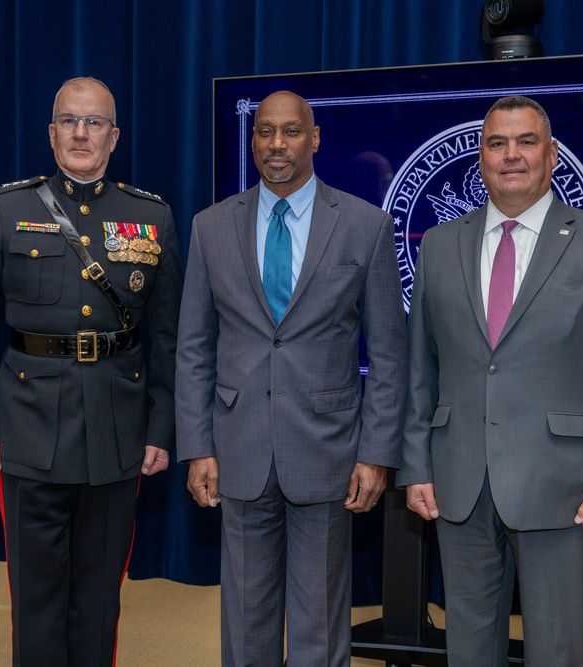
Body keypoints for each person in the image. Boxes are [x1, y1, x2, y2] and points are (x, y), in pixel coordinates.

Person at [398, 95, 583, 666]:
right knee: (468, 648)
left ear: (553, 154)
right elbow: (421, 369)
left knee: (558, 653)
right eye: (497, 143)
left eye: (526, 141)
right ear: (481, 157)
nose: (510, 155)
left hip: (566, 486)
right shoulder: (440, 244)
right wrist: (415, 465)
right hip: (457, 482)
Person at [0, 76, 181, 666]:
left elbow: (173, 339)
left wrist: (161, 429)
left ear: (114, 136)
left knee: (100, 593)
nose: (82, 133)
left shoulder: (150, 216)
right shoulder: (7, 208)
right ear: (51, 134)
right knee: (36, 595)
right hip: (28, 426)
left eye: (95, 122)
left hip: (117, 427)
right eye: (69, 121)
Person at [176, 90, 408, 666]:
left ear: (315, 138)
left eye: (291, 131)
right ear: (252, 140)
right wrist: (197, 446)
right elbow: (194, 347)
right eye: (264, 132)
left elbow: (389, 354)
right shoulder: (211, 228)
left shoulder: (365, 226)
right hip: (238, 449)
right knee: (246, 621)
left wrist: (376, 453)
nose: (276, 144)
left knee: (320, 623)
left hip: (329, 452)